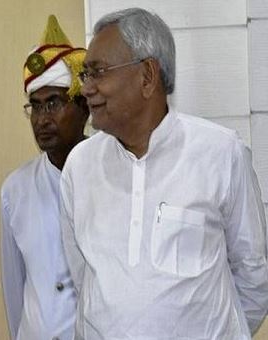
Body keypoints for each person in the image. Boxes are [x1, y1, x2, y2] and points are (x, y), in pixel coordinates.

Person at [60, 7, 268, 339]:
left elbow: (254, 275)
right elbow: (85, 277)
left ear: (147, 75)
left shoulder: (220, 153)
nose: (86, 88)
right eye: (86, 74)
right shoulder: (79, 166)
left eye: (98, 72)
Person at [0, 15, 88, 340]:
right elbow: (14, 286)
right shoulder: (16, 189)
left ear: (84, 107)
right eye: (35, 107)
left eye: (54, 102)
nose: (42, 119)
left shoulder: (112, 177)